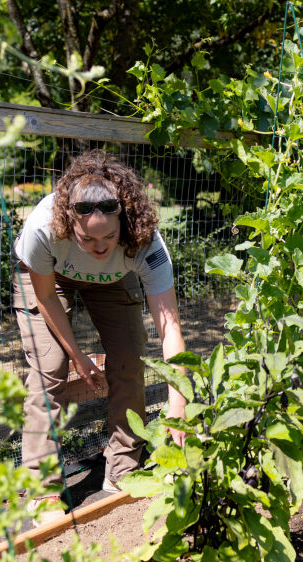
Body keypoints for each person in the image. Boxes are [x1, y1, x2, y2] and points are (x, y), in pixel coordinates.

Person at [12, 150, 186, 524]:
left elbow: (169, 326)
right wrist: (78, 357)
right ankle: (42, 489)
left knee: (128, 361)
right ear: (69, 224)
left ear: (124, 222)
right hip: (49, 280)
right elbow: (44, 297)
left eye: (109, 236)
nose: (101, 247)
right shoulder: (43, 229)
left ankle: (122, 470)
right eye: (88, 239)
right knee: (50, 368)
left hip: (113, 280)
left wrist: (178, 404)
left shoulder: (145, 241)